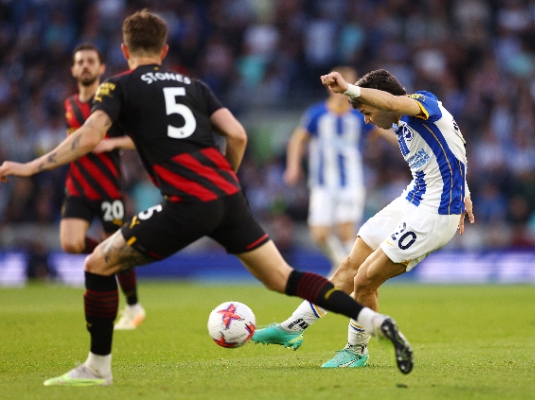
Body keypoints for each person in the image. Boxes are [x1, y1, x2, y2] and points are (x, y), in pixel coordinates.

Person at [0, 10, 412, 386]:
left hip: (185, 202)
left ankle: (96, 368)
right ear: (164, 50)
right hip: (228, 196)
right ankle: (371, 320)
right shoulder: (191, 84)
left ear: (125, 51)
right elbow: (237, 134)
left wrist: (30, 167)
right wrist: (225, 180)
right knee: (282, 278)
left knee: (97, 264)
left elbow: (89, 137)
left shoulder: (118, 86)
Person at [253, 69, 474, 368]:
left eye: (368, 113)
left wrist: (349, 90)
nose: (367, 120)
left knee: (365, 280)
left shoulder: (422, 103)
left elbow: (398, 105)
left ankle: (356, 350)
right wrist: (465, 189)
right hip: (413, 198)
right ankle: (292, 328)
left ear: (384, 101)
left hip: (435, 212)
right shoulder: (399, 123)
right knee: (349, 266)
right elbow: (452, 145)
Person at [62, 43, 146, 330]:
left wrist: (111, 142)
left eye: (90, 61)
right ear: (73, 70)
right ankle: (110, 254)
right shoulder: (69, 105)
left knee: (113, 246)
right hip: (77, 186)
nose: (85, 65)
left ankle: (133, 306)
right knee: (70, 243)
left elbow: (138, 138)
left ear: (100, 68)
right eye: (80, 61)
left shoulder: (111, 104)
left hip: (109, 187)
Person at [284, 66, 396, 275]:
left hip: (351, 182)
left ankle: (346, 273)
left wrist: (409, 143)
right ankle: (347, 267)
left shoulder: (359, 113)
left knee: (346, 231)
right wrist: (293, 166)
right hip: (322, 183)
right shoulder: (317, 114)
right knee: (319, 234)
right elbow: (297, 140)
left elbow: (383, 132)